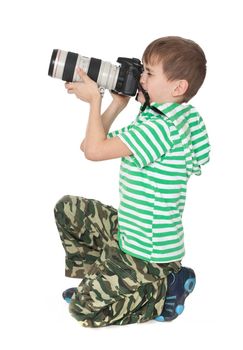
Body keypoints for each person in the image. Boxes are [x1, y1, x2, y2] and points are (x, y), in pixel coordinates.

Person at [54, 36, 210, 327]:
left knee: (82, 312)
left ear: (178, 87)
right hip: (131, 231)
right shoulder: (160, 118)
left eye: (149, 73)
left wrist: (94, 100)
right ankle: (101, 281)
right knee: (69, 210)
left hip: (147, 255)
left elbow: (94, 151)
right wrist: (117, 104)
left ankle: (163, 292)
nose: (141, 78)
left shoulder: (160, 129)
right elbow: (89, 144)